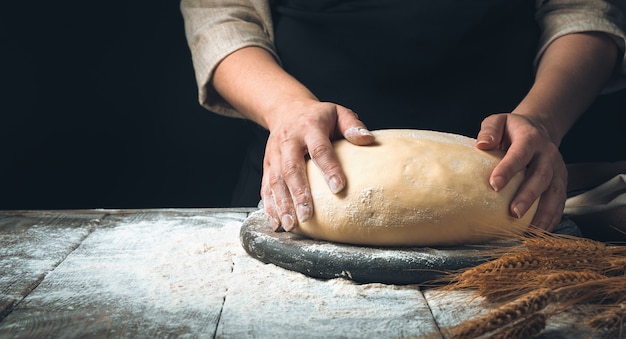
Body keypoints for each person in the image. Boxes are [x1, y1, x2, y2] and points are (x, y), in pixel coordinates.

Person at [181, 0, 626, 234]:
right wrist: (288, 109)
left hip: (510, 163)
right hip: (307, 163)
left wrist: (543, 119)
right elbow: (223, 18)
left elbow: (583, 9)